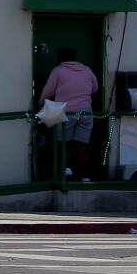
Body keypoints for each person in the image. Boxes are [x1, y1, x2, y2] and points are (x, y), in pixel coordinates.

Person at [40, 47, 99, 180]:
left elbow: (48, 91)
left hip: (66, 111)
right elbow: (95, 88)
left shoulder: (58, 71)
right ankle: (85, 177)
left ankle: (67, 174)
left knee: (64, 143)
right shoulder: (87, 70)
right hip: (85, 111)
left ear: (60, 58)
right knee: (83, 145)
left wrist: (40, 101)